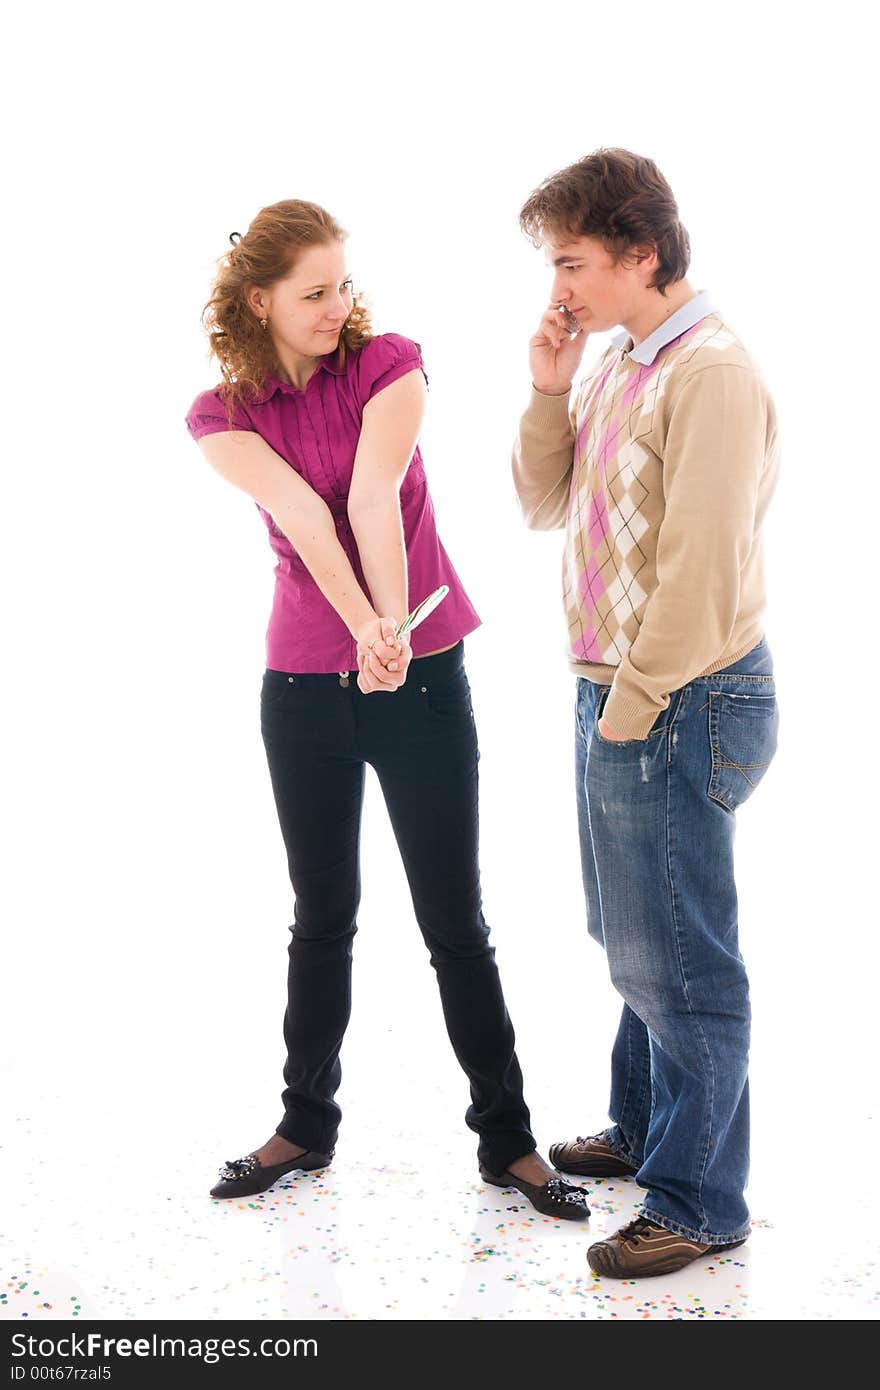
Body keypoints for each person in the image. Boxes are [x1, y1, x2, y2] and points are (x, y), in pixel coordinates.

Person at [184, 199, 588, 1222]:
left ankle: (509, 1141)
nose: (337, 307)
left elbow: (370, 497)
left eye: (342, 286)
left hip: (421, 677)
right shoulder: (221, 417)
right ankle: (303, 1128)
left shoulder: (390, 362)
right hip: (303, 691)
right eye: (313, 293)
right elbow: (305, 514)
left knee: (456, 922)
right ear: (258, 300)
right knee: (321, 920)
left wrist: (393, 636)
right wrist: (366, 624)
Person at [512, 149, 780, 1275]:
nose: (558, 284)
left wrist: (630, 707)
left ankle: (700, 1198)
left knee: (681, 960)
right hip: (621, 693)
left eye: (570, 261)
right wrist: (546, 383)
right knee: (632, 942)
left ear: (641, 252)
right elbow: (541, 501)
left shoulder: (707, 373)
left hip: (676, 697)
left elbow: (700, 569)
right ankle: (642, 1130)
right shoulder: (625, 358)